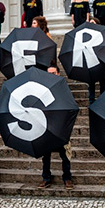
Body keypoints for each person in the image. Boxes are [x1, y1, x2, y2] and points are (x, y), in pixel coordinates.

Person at [39, 62, 74, 190]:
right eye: (49, 74)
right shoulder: (42, 89)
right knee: (45, 156)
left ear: (58, 74)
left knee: (65, 156)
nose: (51, 76)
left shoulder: (63, 88)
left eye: (53, 73)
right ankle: (46, 178)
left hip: (61, 127)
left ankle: (67, 178)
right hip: (47, 126)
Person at [86, 18, 105, 104]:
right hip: (90, 61)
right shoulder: (86, 36)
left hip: (100, 61)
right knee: (91, 83)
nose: (91, 24)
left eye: (93, 23)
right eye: (90, 23)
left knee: (103, 82)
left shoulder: (102, 34)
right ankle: (91, 101)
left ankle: (103, 100)